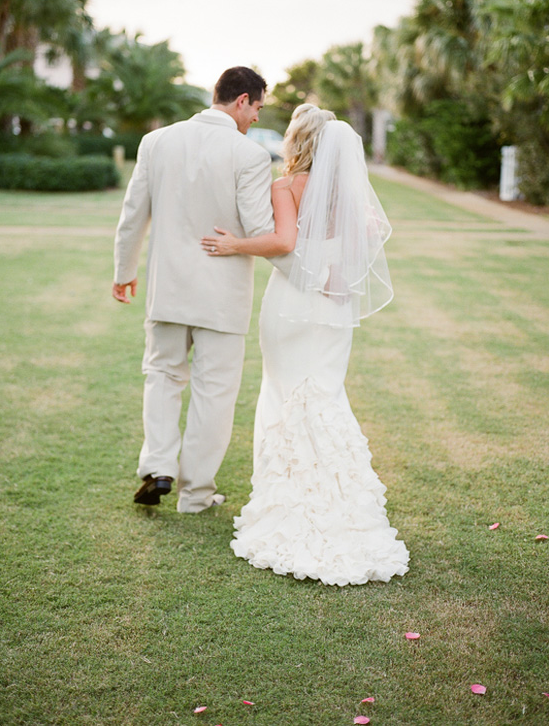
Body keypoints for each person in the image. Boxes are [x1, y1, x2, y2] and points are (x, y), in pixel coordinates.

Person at [200, 104, 409, 586]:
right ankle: (342, 507)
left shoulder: (287, 186)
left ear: (297, 141)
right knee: (326, 393)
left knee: (282, 390)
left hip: (293, 304)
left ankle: (286, 501)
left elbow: (284, 242)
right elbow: (370, 237)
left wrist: (234, 245)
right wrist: (339, 272)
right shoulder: (348, 194)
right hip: (336, 306)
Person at [113, 67, 290, 513]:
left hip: (168, 290)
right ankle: (195, 495)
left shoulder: (157, 142)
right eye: (257, 110)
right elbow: (258, 228)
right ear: (242, 100)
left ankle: (157, 468)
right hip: (222, 294)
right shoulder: (248, 156)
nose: (255, 119)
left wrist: (124, 271)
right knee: (214, 392)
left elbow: (133, 214)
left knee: (161, 377)